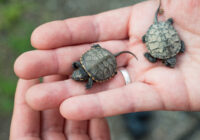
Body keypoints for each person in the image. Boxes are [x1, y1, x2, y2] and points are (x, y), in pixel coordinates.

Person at [10, 0, 200, 139]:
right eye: (77, 76)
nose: (75, 76)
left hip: (108, 59)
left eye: (76, 76)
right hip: (105, 59)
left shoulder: (175, 51)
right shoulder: (84, 71)